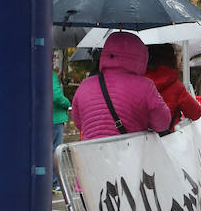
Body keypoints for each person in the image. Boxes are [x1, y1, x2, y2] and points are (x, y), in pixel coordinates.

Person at [71, 31, 171, 140]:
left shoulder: (85, 85)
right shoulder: (145, 86)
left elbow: (79, 123)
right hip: (129, 153)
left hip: (91, 154)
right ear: (141, 57)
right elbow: (163, 123)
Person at [145, 43, 201, 133]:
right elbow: (196, 113)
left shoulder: (139, 83)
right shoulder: (176, 86)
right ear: (171, 59)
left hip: (142, 142)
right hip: (170, 140)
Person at [52, 55, 71, 193]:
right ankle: (55, 183)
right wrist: (67, 103)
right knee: (55, 152)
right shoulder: (51, 75)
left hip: (47, 118)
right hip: (56, 118)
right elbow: (56, 96)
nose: (54, 60)